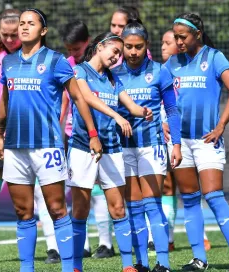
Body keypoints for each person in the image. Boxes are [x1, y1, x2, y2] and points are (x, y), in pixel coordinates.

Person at [0, 8, 103, 272]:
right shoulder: (8, 62)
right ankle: (27, 269)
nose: (24, 27)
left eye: (30, 23)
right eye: (21, 23)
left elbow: (79, 98)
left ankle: (69, 268)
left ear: (43, 30)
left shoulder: (56, 61)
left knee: (56, 209)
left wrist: (92, 134)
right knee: (23, 212)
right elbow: (5, 101)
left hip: (47, 145)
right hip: (14, 147)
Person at [0, 9, 61, 265]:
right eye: (6, 35)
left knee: (39, 192)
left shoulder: (41, 57)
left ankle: (53, 247)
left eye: (15, 34)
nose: (11, 39)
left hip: (35, 132)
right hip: (2, 132)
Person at [68, 31, 153, 272]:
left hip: (112, 149)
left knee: (118, 208)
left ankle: (127, 266)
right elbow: (85, 97)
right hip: (83, 146)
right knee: (81, 210)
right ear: (99, 47)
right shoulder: (80, 71)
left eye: (119, 54)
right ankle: (76, 266)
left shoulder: (115, 80)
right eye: (114, 51)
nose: (117, 57)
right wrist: (116, 115)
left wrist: (143, 111)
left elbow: (131, 106)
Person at [112, 20, 182, 272]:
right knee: (133, 207)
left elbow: (172, 110)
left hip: (152, 146)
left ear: (146, 46)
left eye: (138, 47)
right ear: (121, 47)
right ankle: (141, 263)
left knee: (152, 204)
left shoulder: (161, 71)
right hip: (123, 148)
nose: (133, 52)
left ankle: (162, 262)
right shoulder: (114, 74)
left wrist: (176, 145)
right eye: (128, 47)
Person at [165, 13, 229, 271]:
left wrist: (220, 125)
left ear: (198, 34)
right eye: (176, 37)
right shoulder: (172, 63)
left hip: (207, 140)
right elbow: (161, 96)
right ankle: (199, 259)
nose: (179, 42)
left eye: (183, 37)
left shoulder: (215, 58)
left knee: (214, 196)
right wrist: (162, 122)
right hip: (182, 142)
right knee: (190, 199)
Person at [60, 20, 116, 259]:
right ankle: (81, 245)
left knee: (99, 190)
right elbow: (64, 100)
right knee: (80, 191)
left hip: (100, 135)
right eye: (69, 49)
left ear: (89, 43)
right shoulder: (68, 66)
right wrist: (61, 126)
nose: (72, 54)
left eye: (76, 49)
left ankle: (105, 242)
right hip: (76, 135)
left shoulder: (105, 66)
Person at [160, 29, 211, 253]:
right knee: (168, 187)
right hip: (163, 135)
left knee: (190, 189)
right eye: (162, 42)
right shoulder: (161, 71)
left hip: (185, 138)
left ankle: (202, 235)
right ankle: (167, 238)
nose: (164, 46)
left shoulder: (186, 71)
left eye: (168, 42)